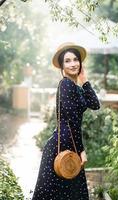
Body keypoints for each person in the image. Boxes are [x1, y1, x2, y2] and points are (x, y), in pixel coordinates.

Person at [32, 42, 100, 200]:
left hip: (70, 144)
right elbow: (71, 121)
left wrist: (85, 81)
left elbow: (95, 104)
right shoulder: (65, 84)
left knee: (71, 193)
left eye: (76, 59)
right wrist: (81, 150)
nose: (73, 63)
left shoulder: (76, 87)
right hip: (62, 146)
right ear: (62, 66)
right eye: (67, 61)